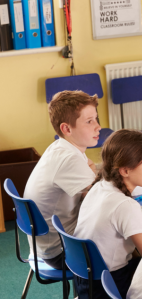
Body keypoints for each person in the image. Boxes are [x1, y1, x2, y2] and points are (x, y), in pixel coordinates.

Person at [73, 130, 142, 299]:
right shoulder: (125, 205)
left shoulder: (99, 186)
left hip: (86, 291)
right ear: (125, 171)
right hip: (108, 298)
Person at [23, 90, 100, 269]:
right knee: (126, 240)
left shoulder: (60, 146)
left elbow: (91, 170)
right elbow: (102, 200)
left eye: (96, 119)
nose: (98, 126)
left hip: (47, 244)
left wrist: (91, 185)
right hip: (62, 251)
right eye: (89, 121)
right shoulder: (68, 158)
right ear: (67, 128)